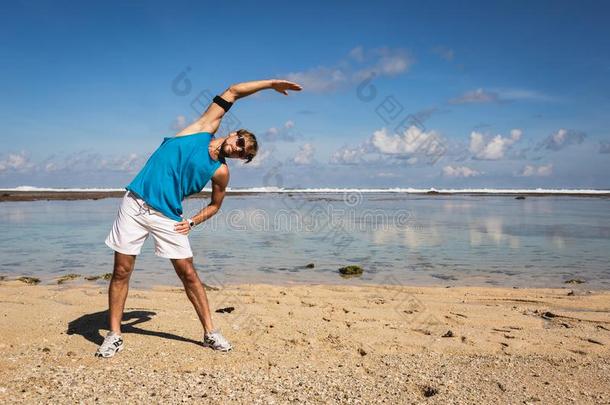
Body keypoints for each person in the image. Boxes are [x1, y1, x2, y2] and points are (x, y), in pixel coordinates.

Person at [95, 79, 302, 357]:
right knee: (121, 270)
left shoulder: (220, 172)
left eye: (244, 154)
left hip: (168, 215)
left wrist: (192, 222)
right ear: (233, 134)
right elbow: (233, 91)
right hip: (135, 203)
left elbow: (215, 205)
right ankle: (114, 334)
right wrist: (270, 84)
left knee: (189, 274)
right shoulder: (202, 128)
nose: (239, 150)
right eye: (241, 143)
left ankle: (210, 333)